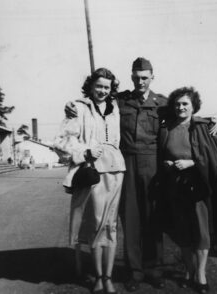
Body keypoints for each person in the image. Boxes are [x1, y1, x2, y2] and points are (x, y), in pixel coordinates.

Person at [158, 86, 217, 293]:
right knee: (183, 233)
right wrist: (168, 164)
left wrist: (192, 163)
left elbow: (212, 159)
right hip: (175, 187)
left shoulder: (203, 128)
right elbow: (160, 156)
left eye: (185, 104)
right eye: (177, 104)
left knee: (202, 233)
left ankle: (201, 275)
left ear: (193, 106)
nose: (181, 107)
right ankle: (189, 270)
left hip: (198, 187)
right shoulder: (166, 128)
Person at [55, 68, 126, 294]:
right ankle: (97, 277)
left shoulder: (116, 108)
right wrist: (85, 153)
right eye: (99, 86)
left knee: (111, 225)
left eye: (107, 87)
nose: (103, 91)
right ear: (91, 86)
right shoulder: (79, 108)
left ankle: (108, 277)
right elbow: (62, 142)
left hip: (117, 169)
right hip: (93, 171)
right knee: (96, 223)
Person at [117, 57, 167, 291]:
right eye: (136, 78)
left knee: (153, 217)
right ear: (131, 77)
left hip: (153, 164)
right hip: (127, 162)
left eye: (144, 78)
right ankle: (134, 271)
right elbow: (94, 105)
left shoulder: (163, 103)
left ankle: (154, 269)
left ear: (152, 77)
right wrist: (72, 105)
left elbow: (183, 119)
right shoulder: (120, 101)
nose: (140, 82)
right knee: (131, 218)